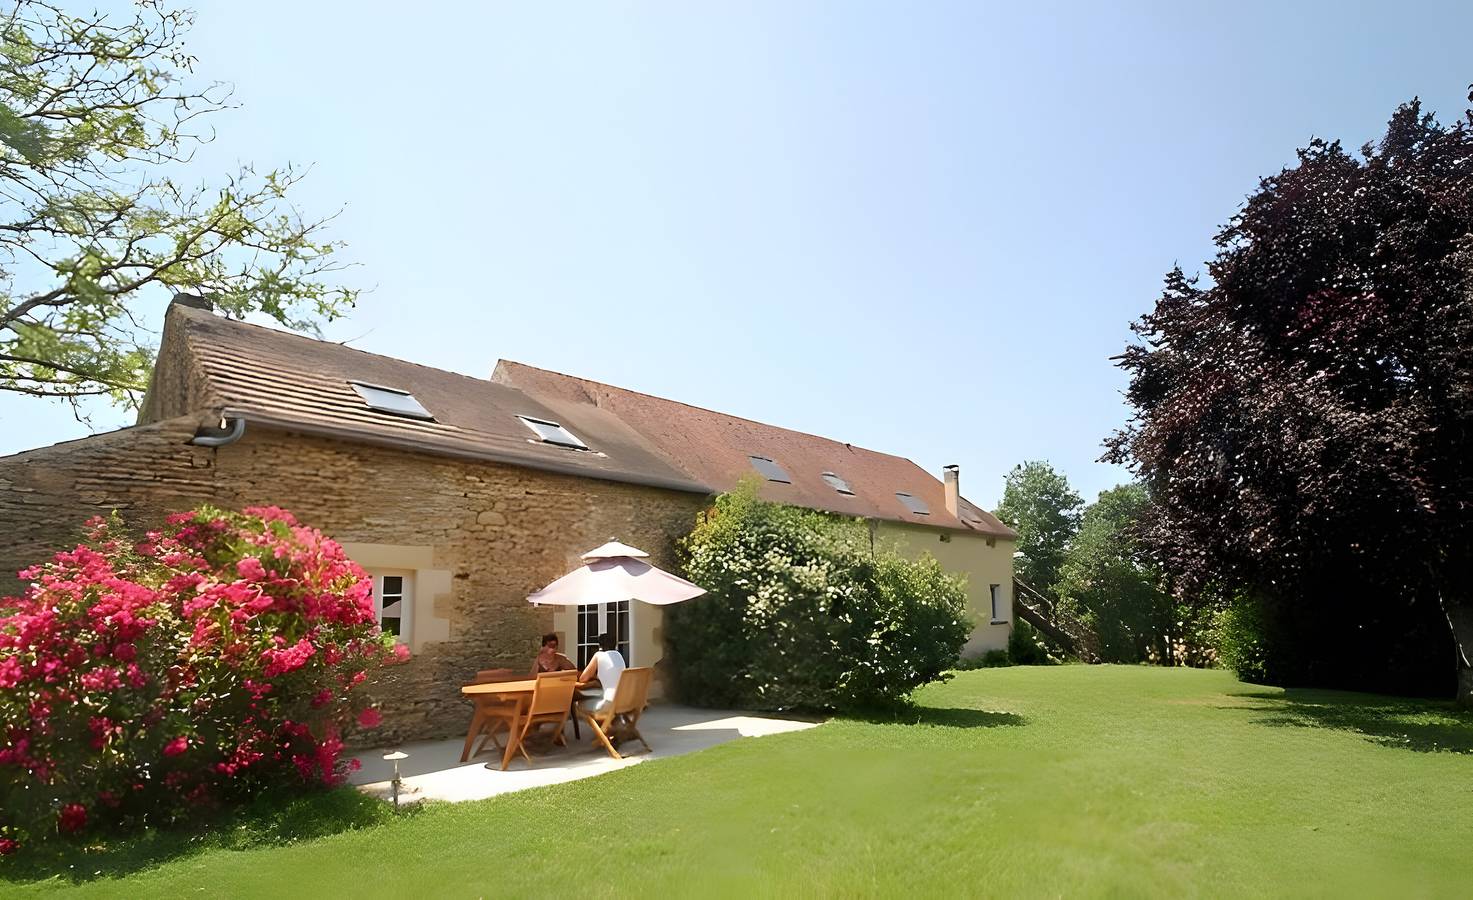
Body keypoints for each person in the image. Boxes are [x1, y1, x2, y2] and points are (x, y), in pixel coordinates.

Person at [578, 632, 625, 712]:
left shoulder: (598, 655)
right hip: (624, 701)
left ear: (600, 646)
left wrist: (594, 677)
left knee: (579, 703)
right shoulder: (619, 655)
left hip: (609, 702)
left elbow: (583, 679)